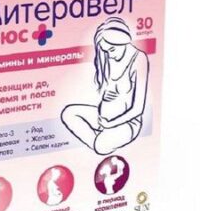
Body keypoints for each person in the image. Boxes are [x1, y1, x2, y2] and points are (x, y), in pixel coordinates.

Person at [61, 17, 149, 155]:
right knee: (68, 113)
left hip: (126, 123)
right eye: (106, 51)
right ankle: (100, 140)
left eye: (112, 49)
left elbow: (138, 109)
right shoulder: (109, 58)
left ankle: (100, 142)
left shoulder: (139, 59)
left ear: (122, 40)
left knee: (101, 146)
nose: (110, 55)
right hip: (103, 119)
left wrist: (111, 124)